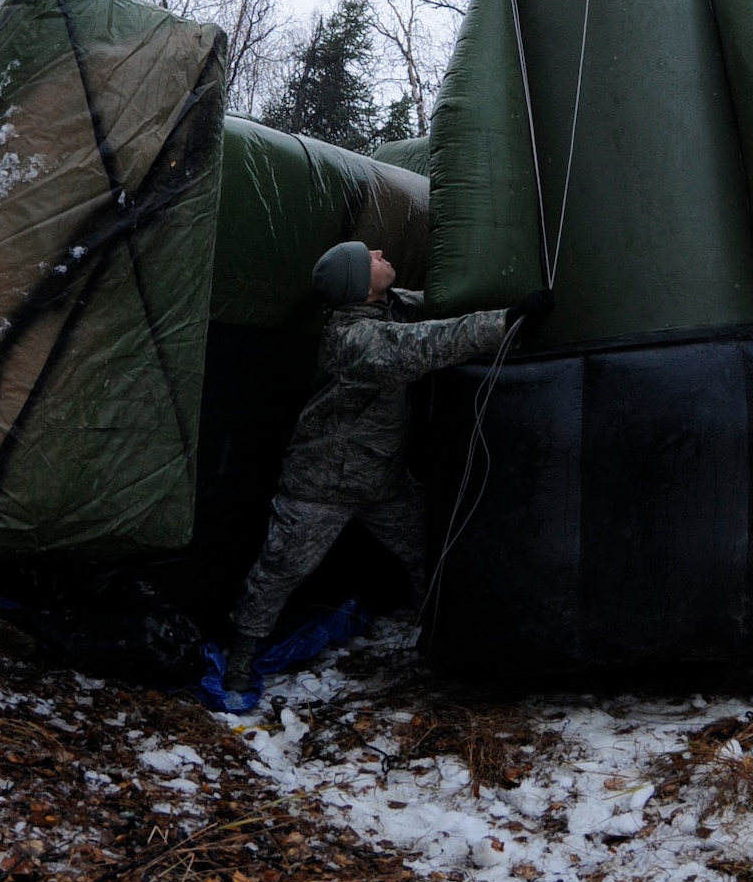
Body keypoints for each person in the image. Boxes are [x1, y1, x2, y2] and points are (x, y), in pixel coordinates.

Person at [222, 238, 552, 698]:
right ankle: (239, 660)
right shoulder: (357, 340)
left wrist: (511, 303)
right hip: (322, 486)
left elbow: (436, 307)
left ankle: (436, 636)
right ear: (360, 286)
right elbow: (428, 344)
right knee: (279, 570)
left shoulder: (388, 307)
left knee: (429, 549)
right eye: (369, 259)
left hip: (382, 480)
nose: (378, 254)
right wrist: (505, 322)